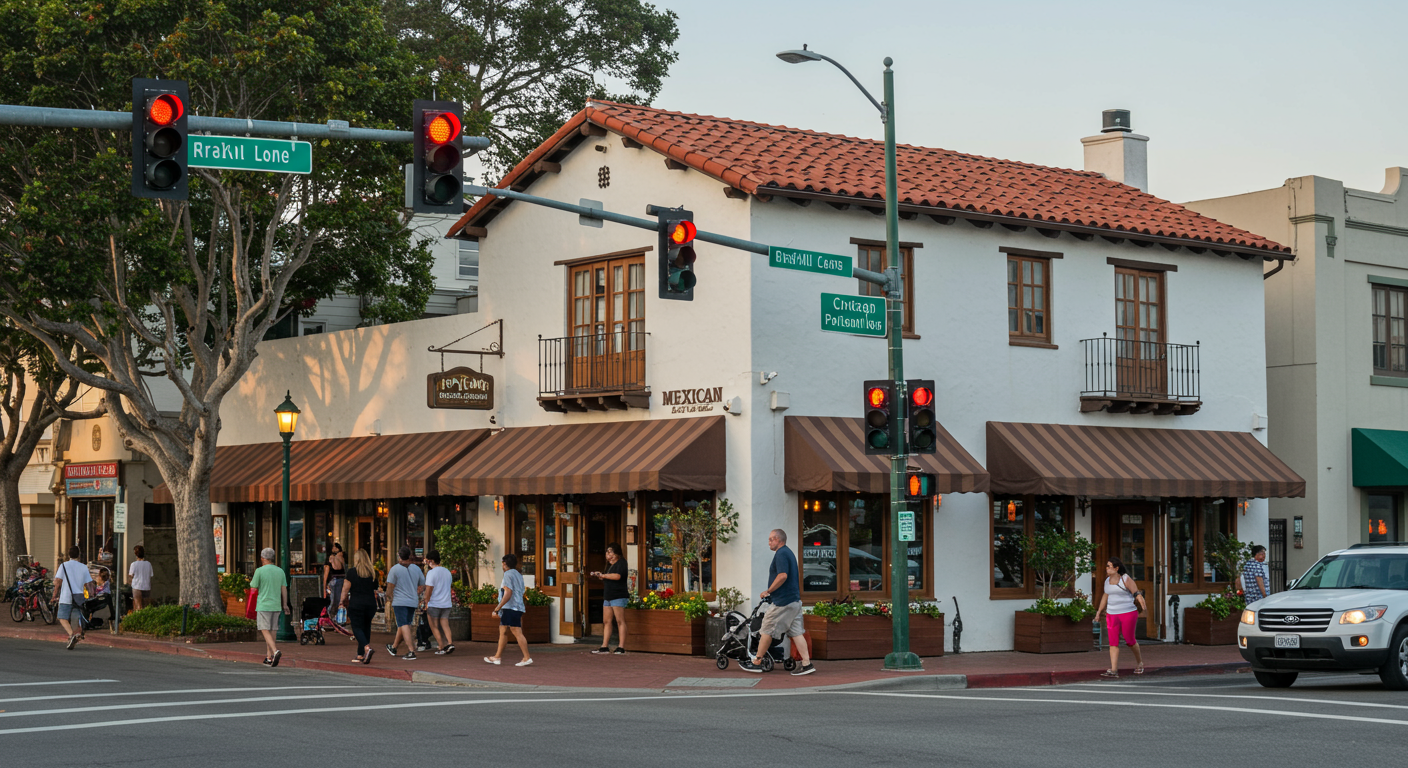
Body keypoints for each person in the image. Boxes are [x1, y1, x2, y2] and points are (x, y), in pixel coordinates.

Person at [742, 529, 815, 676]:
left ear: (777, 539)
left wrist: (768, 591)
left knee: (766, 629)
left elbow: (782, 576)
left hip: (782, 602)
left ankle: (757, 662)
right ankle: (806, 664)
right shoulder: (788, 553)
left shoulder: (781, 554)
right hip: (794, 601)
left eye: (770, 539)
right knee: (796, 632)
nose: (769, 542)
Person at [1094, 556, 1147, 678]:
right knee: (1113, 642)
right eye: (1106, 566)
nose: (1106, 568)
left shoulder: (1125, 579)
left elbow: (1136, 592)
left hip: (1128, 612)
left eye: (1109, 566)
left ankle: (1139, 662)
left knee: (1129, 640)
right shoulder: (1107, 581)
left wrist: (1142, 603)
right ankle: (1113, 670)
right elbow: (1105, 596)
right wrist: (1099, 612)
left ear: (1116, 568)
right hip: (1112, 614)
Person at [485, 553, 533, 667]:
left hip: (511, 607)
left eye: (502, 563)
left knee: (516, 632)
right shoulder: (518, 574)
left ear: (504, 564)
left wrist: (497, 608)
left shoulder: (507, 575)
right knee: (503, 631)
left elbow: (508, 593)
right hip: (517, 607)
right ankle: (497, 657)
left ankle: (527, 657)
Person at [250, 547, 290, 667]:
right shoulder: (280, 571)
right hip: (276, 604)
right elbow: (284, 588)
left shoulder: (259, 571)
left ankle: (275, 651)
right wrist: (285, 604)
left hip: (263, 604)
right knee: (272, 630)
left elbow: (253, 586)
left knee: (264, 629)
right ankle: (269, 657)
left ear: (262, 558)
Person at [384, 546, 424, 661]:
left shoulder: (395, 569)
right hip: (412, 600)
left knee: (404, 624)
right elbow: (422, 584)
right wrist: (417, 592)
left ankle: (411, 650)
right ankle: (394, 647)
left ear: (399, 556)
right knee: (404, 624)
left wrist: (388, 597)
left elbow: (390, 586)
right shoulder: (416, 568)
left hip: (400, 601)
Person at [339, 548, 379, 664]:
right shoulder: (372, 573)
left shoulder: (352, 572)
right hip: (371, 604)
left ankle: (367, 648)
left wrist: (341, 601)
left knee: (356, 627)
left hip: (356, 603)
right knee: (366, 627)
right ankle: (360, 654)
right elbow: (376, 588)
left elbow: (345, 589)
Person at [51, 546, 95, 650]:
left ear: (69, 555)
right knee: (76, 617)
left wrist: (54, 595)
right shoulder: (84, 567)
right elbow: (89, 583)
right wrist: (92, 594)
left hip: (66, 595)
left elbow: (58, 582)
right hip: (79, 596)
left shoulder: (64, 566)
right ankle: (76, 635)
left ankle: (72, 635)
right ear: (79, 555)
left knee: (62, 617)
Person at [590, 543, 628, 654]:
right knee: (606, 621)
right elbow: (608, 577)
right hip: (608, 595)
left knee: (620, 621)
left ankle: (621, 646)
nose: (608, 555)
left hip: (618, 595)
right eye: (607, 552)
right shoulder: (609, 565)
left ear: (617, 553)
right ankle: (604, 646)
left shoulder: (622, 563)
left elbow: (617, 576)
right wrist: (600, 576)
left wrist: (603, 575)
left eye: (611, 552)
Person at [422, 550, 455, 655]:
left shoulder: (431, 573)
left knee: (434, 626)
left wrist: (425, 603)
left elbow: (428, 590)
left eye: (427, 561)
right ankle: (450, 643)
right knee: (445, 624)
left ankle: (441, 646)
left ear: (431, 561)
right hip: (446, 603)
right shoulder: (447, 572)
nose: (427, 563)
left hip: (434, 604)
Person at [322, 542, 346, 620]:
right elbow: (327, 572)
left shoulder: (341, 557)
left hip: (339, 580)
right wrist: (324, 586)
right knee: (334, 601)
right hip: (335, 580)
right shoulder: (332, 558)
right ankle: (330, 617)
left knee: (337, 601)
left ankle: (333, 618)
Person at [127, 545, 153, 611]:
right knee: (146, 606)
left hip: (137, 586)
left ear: (135, 554)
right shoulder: (148, 564)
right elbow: (151, 575)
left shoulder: (134, 564)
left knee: (138, 606)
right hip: (146, 586)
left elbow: (131, 575)